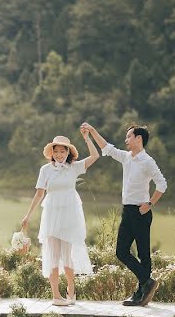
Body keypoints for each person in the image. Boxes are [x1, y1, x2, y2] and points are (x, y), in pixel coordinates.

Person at [81, 123, 167, 306]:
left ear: (138, 138)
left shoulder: (148, 161)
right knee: (121, 252)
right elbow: (106, 147)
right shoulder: (126, 157)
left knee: (144, 254)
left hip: (141, 212)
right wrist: (92, 131)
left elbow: (162, 184)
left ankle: (140, 293)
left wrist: (150, 204)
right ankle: (147, 282)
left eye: (129, 136)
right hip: (127, 211)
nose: (126, 140)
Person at [21, 132, 99, 306]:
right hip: (51, 215)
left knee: (68, 256)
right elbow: (39, 193)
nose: (59, 154)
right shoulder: (45, 170)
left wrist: (87, 137)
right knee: (52, 255)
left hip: (70, 216)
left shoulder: (74, 167)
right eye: (56, 151)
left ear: (68, 152)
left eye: (63, 151)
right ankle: (56, 296)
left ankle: (71, 287)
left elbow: (95, 155)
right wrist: (28, 215)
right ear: (52, 152)